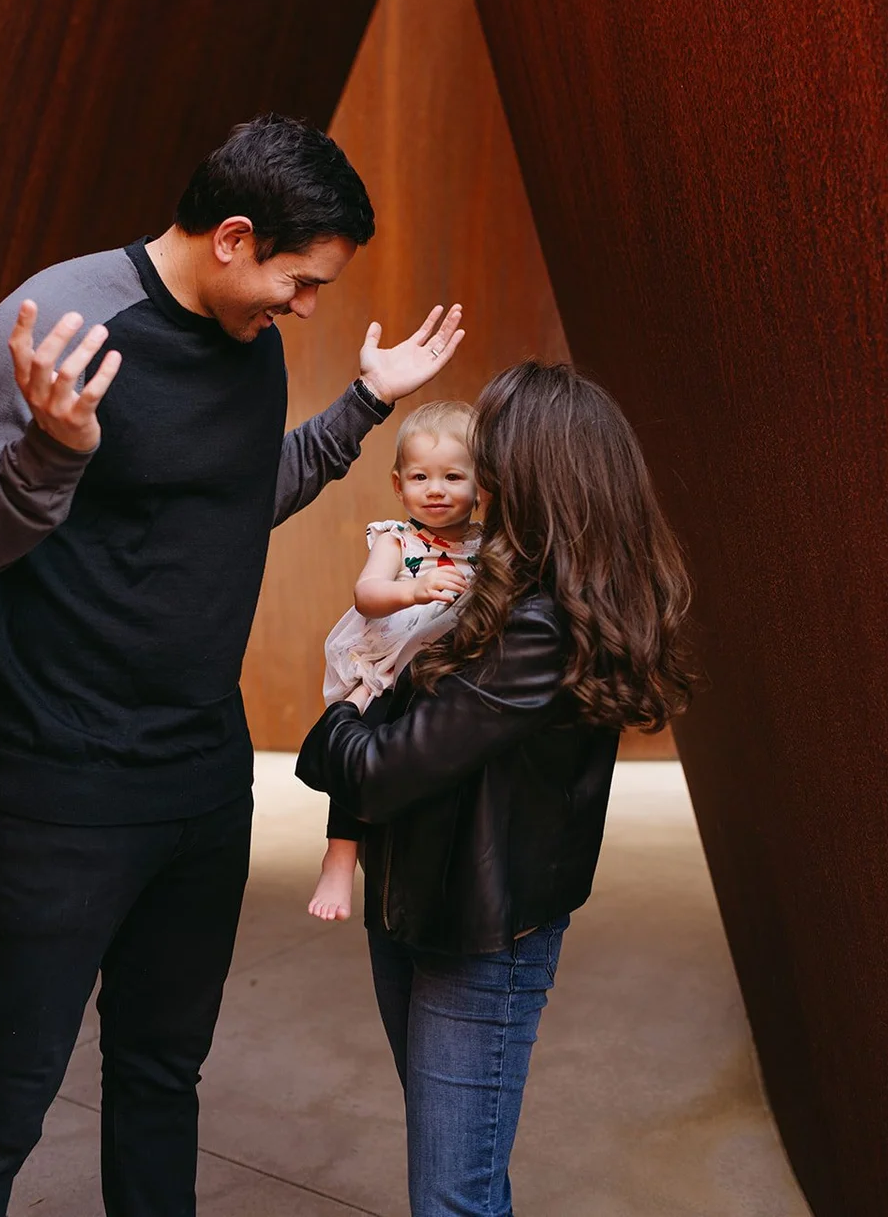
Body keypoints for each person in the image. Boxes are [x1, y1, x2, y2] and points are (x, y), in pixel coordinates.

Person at [0, 113, 464, 1216]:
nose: (306, 308)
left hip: (203, 784)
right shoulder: (59, 326)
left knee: (160, 1077)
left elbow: (229, 500)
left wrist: (365, 406)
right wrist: (47, 456)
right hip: (56, 790)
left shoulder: (248, 337)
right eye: (299, 281)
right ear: (232, 238)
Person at [296, 360, 694, 1217]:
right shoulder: (501, 582)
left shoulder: (544, 623)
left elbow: (377, 768)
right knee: (465, 1174)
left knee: (453, 1195)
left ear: (535, 474)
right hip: (417, 896)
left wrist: (336, 717)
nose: (475, 479)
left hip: (476, 934)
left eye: (489, 457)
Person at [309, 400, 481, 923]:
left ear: (482, 485)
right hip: (390, 666)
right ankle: (340, 854)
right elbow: (367, 595)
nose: (435, 489)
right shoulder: (396, 539)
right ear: (398, 485)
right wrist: (414, 590)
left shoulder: (487, 545)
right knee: (360, 744)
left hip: (449, 673)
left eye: (453, 476)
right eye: (420, 477)